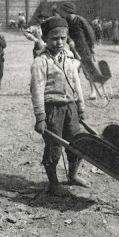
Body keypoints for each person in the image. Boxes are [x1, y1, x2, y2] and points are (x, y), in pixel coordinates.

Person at [30, 16, 88, 196]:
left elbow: (76, 82)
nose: (59, 42)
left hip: (71, 107)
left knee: (77, 143)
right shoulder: (41, 62)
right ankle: (53, 183)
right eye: (54, 38)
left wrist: (81, 107)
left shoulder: (69, 58)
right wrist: (40, 118)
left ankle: (72, 175)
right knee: (54, 146)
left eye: (63, 38)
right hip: (53, 110)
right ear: (45, 39)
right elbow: (37, 91)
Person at [54, 2, 98, 99]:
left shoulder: (81, 20)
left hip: (85, 49)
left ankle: (93, 91)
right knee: (73, 70)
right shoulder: (66, 22)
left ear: (68, 11)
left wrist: (91, 49)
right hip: (73, 50)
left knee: (88, 71)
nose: (62, 14)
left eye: (63, 12)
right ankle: (74, 92)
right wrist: (70, 40)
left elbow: (90, 34)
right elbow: (65, 34)